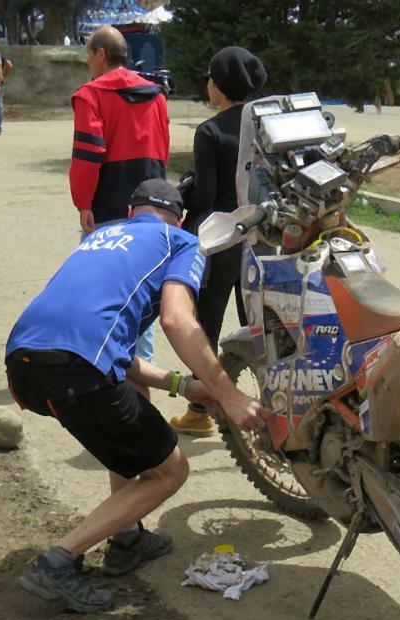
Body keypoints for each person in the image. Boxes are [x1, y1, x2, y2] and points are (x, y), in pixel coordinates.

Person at [7, 179, 270, 613]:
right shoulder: (180, 241)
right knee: (169, 471)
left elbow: (114, 354)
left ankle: (126, 537)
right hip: (75, 373)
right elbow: (177, 321)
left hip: (25, 367)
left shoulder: (99, 238)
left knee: (129, 402)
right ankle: (58, 562)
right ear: (181, 218)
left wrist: (186, 386)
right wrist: (230, 394)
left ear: (132, 213)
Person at [170, 47, 267, 436]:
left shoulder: (210, 131)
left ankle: (200, 410)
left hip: (220, 240)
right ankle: (273, 406)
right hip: (261, 238)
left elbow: (206, 196)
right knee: (260, 326)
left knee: (205, 324)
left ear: (221, 86)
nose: (207, 85)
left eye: (211, 79)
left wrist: (184, 194)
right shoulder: (262, 124)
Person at [69, 25, 170, 364]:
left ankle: (100, 367)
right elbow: (163, 149)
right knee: (141, 293)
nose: (88, 63)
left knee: (98, 292)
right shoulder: (156, 94)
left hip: (108, 205)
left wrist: (83, 202)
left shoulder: (91, 95)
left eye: (88, 55)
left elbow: (88, 154)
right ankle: (143, 373)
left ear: (100, 54)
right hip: (151, 207)